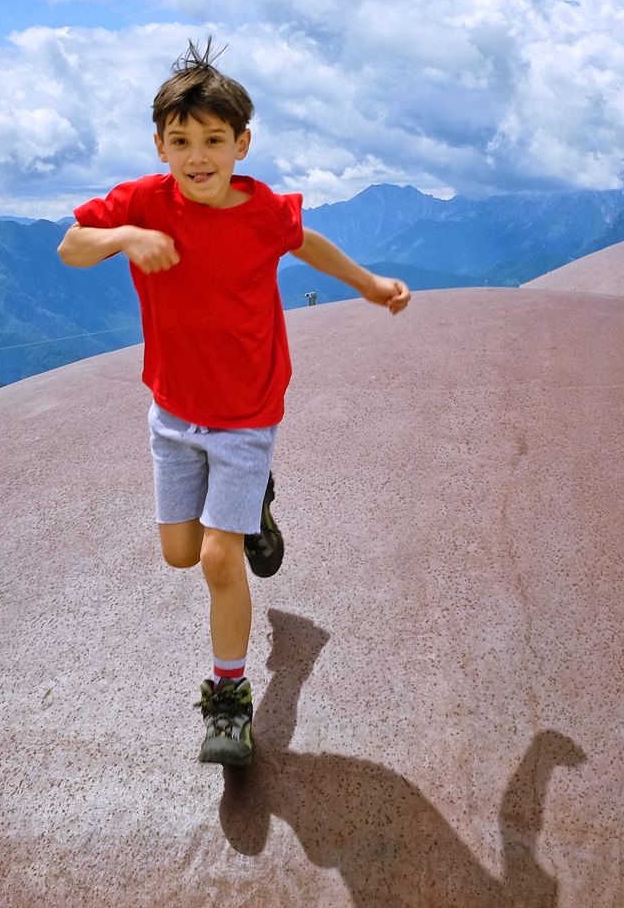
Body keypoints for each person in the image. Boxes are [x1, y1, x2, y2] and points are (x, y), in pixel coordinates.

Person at [60, 40, 411, 765]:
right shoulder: (141, 203)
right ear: (160, 145)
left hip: (247, 413)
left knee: (220, 560)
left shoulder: (261, 212)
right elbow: (72, 246)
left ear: (241, 144)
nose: (198, 157)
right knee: (181, 553)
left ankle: (228, 701)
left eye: (214, 140)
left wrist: (369, 283)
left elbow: (305, 242)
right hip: (173, 415)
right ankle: (257, 509)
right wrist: (125, 235)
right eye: (181, 141)